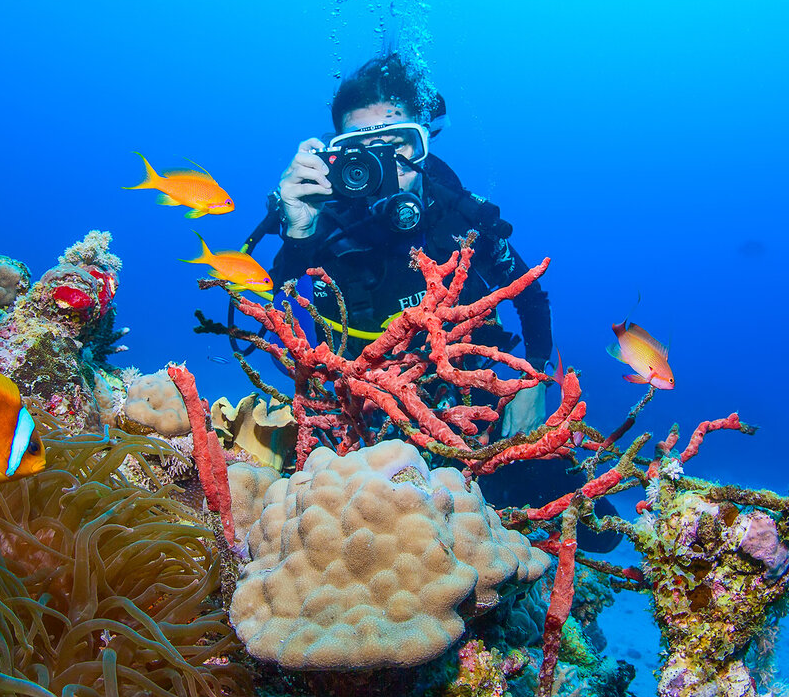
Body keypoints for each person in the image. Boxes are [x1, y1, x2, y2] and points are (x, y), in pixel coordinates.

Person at [265, 53, 620, 552]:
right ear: (335, 156)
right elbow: (270, 322)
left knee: (598, 535)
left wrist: (534, 380)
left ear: (425, 143)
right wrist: (298, 232)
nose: (388, 168)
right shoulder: (326, 227)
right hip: (362, 422)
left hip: (478, 405)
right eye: (363, 151)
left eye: (401, 145)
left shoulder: (457, 215)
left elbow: (530, 295)